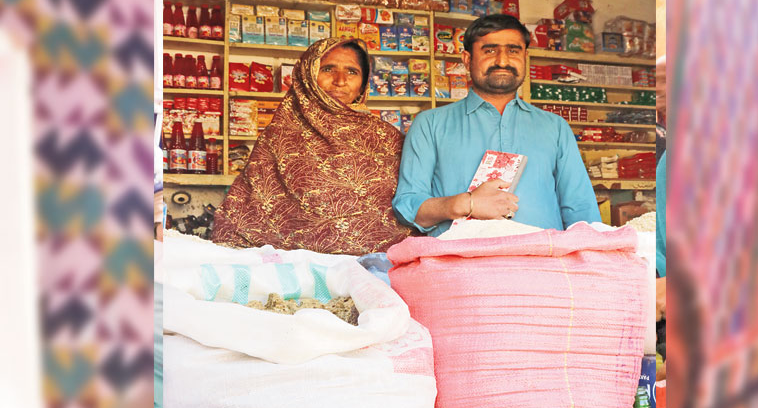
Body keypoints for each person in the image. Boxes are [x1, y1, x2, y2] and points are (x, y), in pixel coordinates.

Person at [393, 14, 601, 237]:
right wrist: (466, 203)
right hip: (460, 264)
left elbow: (582, 211)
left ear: (525, 57)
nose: (503, 61)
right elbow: (408, 207)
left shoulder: (555, 127)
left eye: (513, 50)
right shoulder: (430, 124)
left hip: (544, 263)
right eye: (490, 50)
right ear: (466, 59)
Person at [212, 37, 413, 254]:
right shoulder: (279, 135)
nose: (340, 80)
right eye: (328, 69)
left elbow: (412, 200)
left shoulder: (387, 137)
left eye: (352, 72)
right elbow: (246, 210)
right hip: (301, 271)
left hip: (381, 268)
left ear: (363, 83)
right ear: (307, 74)